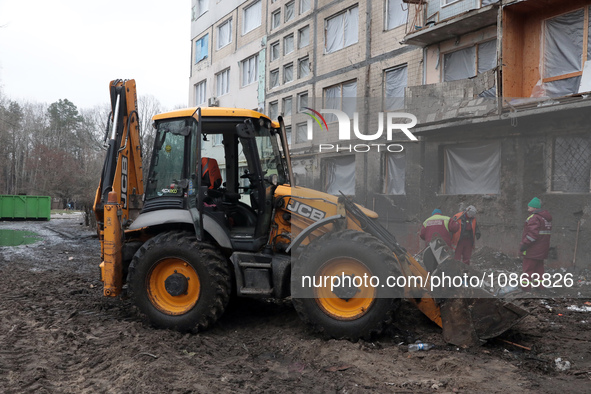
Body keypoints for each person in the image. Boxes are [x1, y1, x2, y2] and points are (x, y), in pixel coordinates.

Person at [519, 197, 552, 291]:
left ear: (534, 208)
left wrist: (524, 244)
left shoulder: (534, 218)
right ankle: (540, 287)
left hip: (532, 250)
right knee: (539, 269)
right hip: (542, 250)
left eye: (529, 208)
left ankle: (526, 289)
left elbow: (532, 234)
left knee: (528, 269)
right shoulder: (546, 218)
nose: (528, 209)